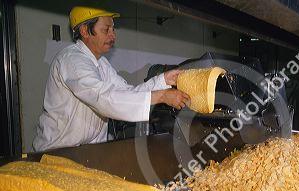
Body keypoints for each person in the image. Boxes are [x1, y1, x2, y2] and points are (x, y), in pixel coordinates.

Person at [33, 6, 189, 152]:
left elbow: (125, 92)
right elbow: (102, 98)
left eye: (113, 29)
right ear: (85, 31)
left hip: (88, 152)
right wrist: (161, 96)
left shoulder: (101, 63)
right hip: (57, 152)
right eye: (106, 29)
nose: (112, 35)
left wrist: (163, 80)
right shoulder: (72, 60)